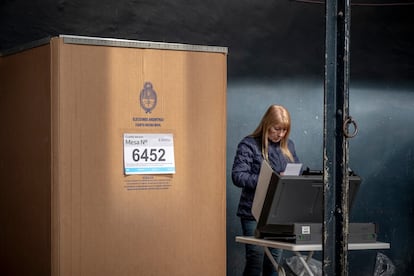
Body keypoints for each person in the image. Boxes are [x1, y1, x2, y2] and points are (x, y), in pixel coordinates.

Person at [232, 104, 300, 276]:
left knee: (274, 263)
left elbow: (297, 172)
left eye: (284, 130)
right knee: (255, 260)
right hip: (253, 212)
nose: (280, 134)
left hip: (279, 214)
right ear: (266, 124)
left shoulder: (288, 146)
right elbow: (238, 176)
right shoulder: (248, 145)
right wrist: (273, 179)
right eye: (276, 129)